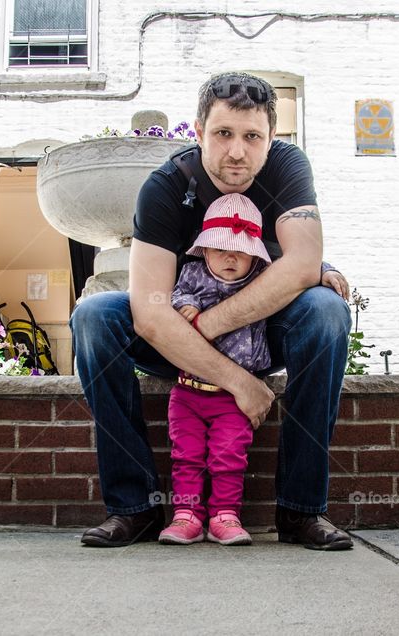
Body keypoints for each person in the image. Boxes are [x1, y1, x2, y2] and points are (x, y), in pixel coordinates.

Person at [71, 71, 353, 551]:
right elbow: (151, 314)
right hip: (175, 341)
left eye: (252, 137)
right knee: (96, 317)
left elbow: (304, 263)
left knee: (325, 312)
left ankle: (302, 511)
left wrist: (208, 324)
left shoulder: (288, 168)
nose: (237, 152)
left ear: (270, 139)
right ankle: (133, 508)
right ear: (198, 131)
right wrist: (242, 385)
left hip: (259, 335)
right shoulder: (165, 187)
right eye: (223, 134)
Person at [159, 193, 272, 547]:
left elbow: (302, 272)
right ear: (204, 250)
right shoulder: (192, 273)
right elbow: (174, 295)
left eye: (239, 249)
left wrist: (326, 272)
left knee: (228, 457)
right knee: (186, 456)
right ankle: (187, 516)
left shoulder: (263, 277)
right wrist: (187, 305)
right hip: (188, 391)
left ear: (254, 253)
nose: (230, 256)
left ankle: (225, 515)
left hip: (233, 397)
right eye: (220, 248)